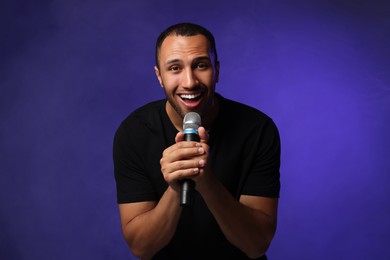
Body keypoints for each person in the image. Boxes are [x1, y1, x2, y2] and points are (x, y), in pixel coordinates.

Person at [113, 22, 281, 260]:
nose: (190, 82)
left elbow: (256, 245)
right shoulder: (134, 133)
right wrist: (176, 185)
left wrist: (206, 182)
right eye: (174, 68)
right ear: (159, 76)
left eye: (201, 65)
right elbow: (142, 247)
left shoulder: (257, 130)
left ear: (217, 70)